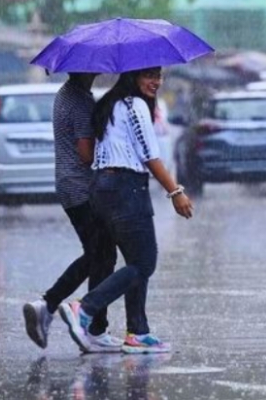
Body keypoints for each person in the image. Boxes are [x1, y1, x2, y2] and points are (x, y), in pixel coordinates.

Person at [59, 67, 193, 354]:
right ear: (132, 77)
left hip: (103, 188)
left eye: (159, 76)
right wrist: (176, 191)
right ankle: (85, 307)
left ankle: (138, 331)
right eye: (149, 75)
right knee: (144, 263)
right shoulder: (134, 106)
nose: (155, 81)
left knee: (134, 261)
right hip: (125, 188)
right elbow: (149, 154)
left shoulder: (110, 104)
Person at [23, 72, 119, 350]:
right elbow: (86, 154)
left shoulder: (68, 94)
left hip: (69, 185)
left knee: (98, 254)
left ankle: (52, 306)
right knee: (104, 254)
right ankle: (90, 325)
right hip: (81, 187)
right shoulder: (79, 101)